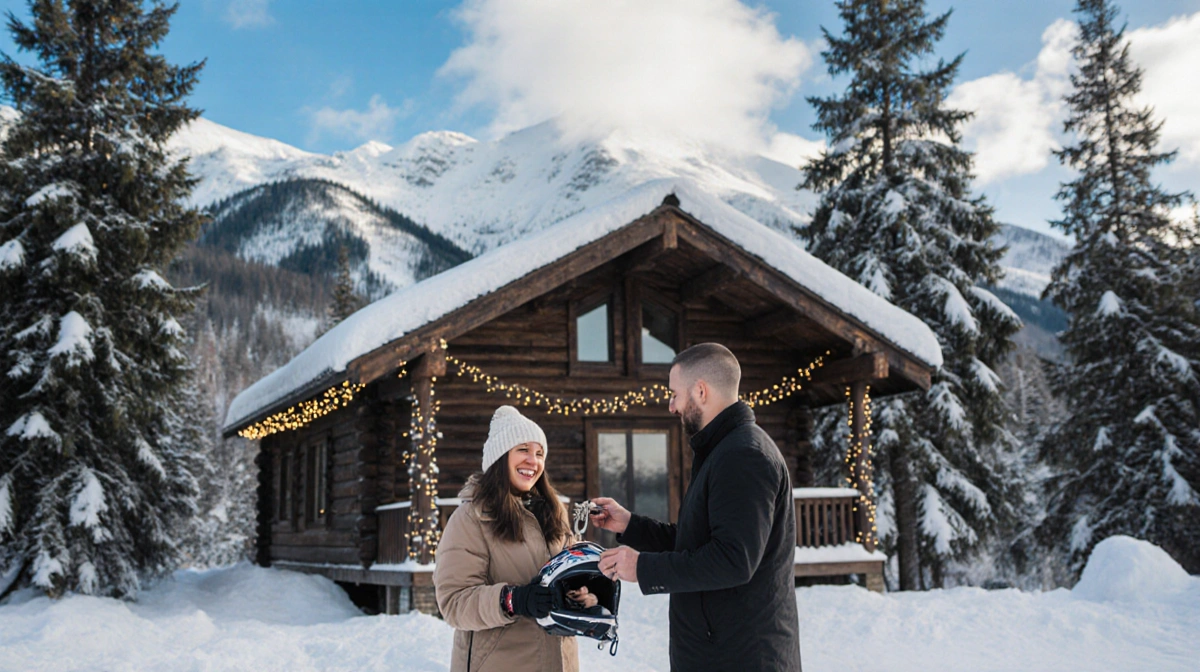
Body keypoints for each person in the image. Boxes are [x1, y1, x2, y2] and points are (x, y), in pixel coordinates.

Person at [591, 343, 803, 671]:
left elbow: (733, 560)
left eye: (674, 394)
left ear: (700, 391)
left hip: (741, 657)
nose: (671, 406)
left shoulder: (743, 456)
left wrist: (642, 568)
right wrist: (629, 525)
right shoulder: (720, 452)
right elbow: (697, 543)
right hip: (718, 651)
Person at [435, 405, 594, 672]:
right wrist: (512, 600)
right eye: (523, 450)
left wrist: (583, 595)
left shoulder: (554, 515)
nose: (534, 461)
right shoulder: (472, 518)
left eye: (539, 453)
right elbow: (454, 602)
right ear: (500, 457)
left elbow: (572, 577)